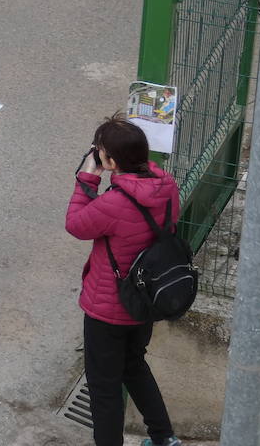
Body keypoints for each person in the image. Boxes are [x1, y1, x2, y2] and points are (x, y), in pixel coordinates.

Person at [66, 115, 183, 446]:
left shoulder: (115, 203)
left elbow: (76, 225)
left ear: (112, 160)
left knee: (104, 389)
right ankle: (164, 438)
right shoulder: (166, 186)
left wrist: (87, 180)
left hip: (108, 308)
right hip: (145, 301)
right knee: (134, 366)